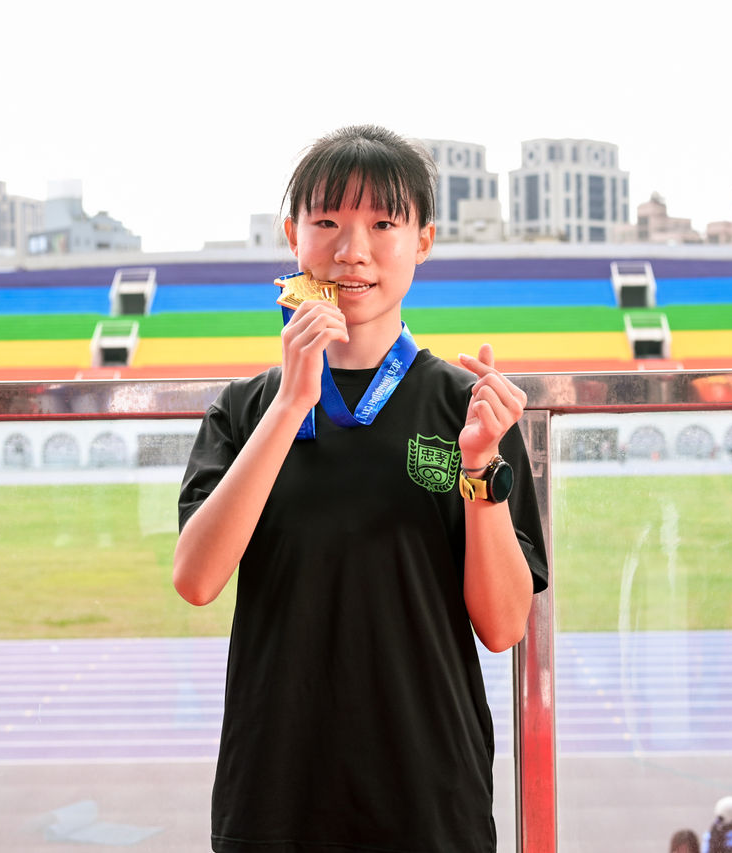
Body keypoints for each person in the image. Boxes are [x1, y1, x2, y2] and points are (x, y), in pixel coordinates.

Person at [173, 125, 548, 852]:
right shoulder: (246, 409)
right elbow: (196, 579)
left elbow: (503, 626)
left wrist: (479, 470)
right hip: (275, 796)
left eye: (382, 224)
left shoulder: (468, 409)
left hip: (429, 796)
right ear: (293, 236)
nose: (353, 250)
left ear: (423, 240)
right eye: (327, 222)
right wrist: (291, 404)